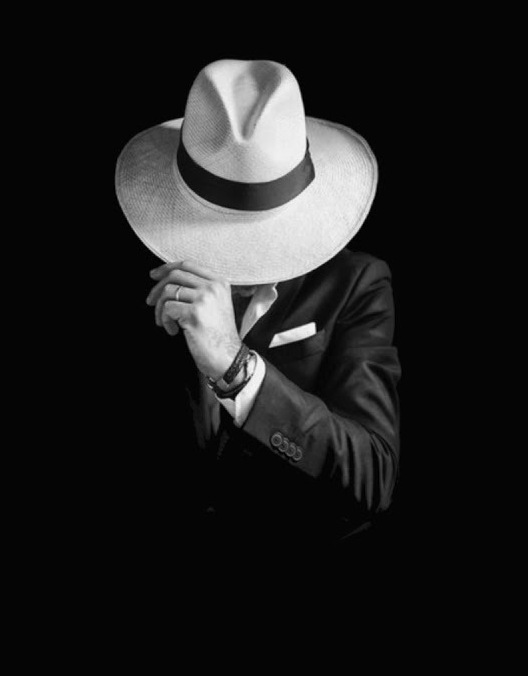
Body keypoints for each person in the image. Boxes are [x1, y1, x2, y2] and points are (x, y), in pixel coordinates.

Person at [115, 59, 401, 545]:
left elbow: (372, 476)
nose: (241, 264)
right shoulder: (143, 273)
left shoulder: (357, 283)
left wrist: (236, 368)